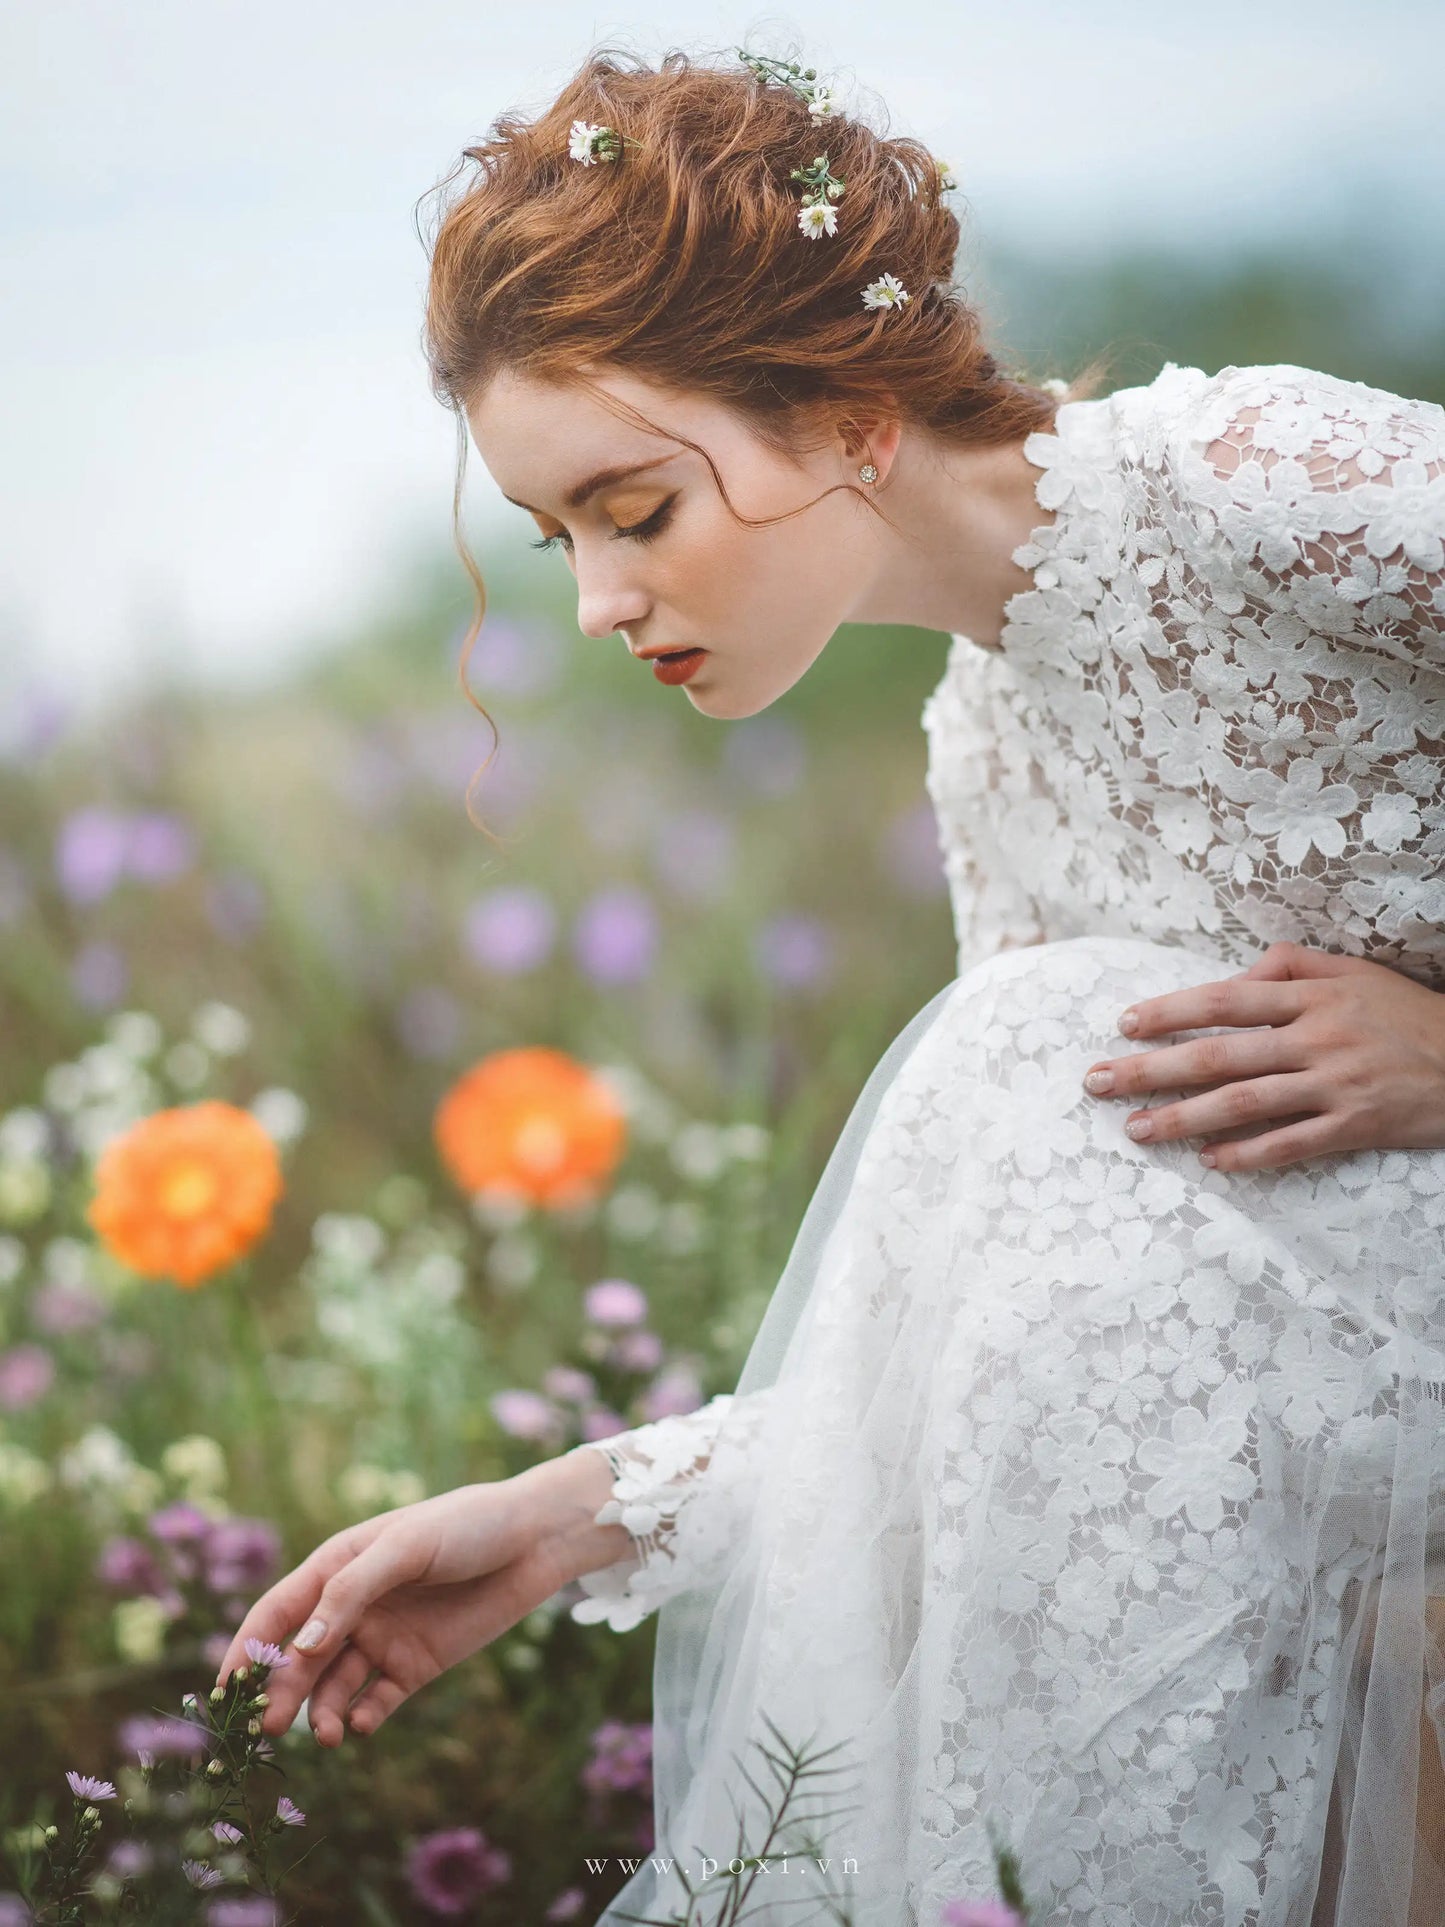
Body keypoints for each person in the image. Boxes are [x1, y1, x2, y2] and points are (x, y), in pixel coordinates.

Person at [215, 41, 1445, 1927]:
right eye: (560, 542)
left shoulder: (1254, 480)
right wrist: (560, 1522)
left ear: (853, 414)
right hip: (1354, 1362)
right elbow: (1007, 1339)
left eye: (635, 510)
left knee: (1019, 1049)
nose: (599, 605)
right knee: (1015, 1070)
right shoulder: (992, 744)